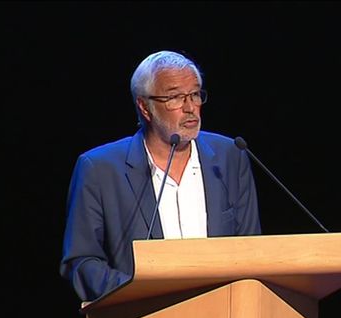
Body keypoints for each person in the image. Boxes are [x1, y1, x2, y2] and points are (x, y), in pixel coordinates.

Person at [59, 50, 261, 302]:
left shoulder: (230, 156)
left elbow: (251, 250)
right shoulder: (99, 169)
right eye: (175, 98)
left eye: (195, 94)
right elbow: (81, 261)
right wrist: (143, 295)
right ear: (145, 107)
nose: (190, 108)